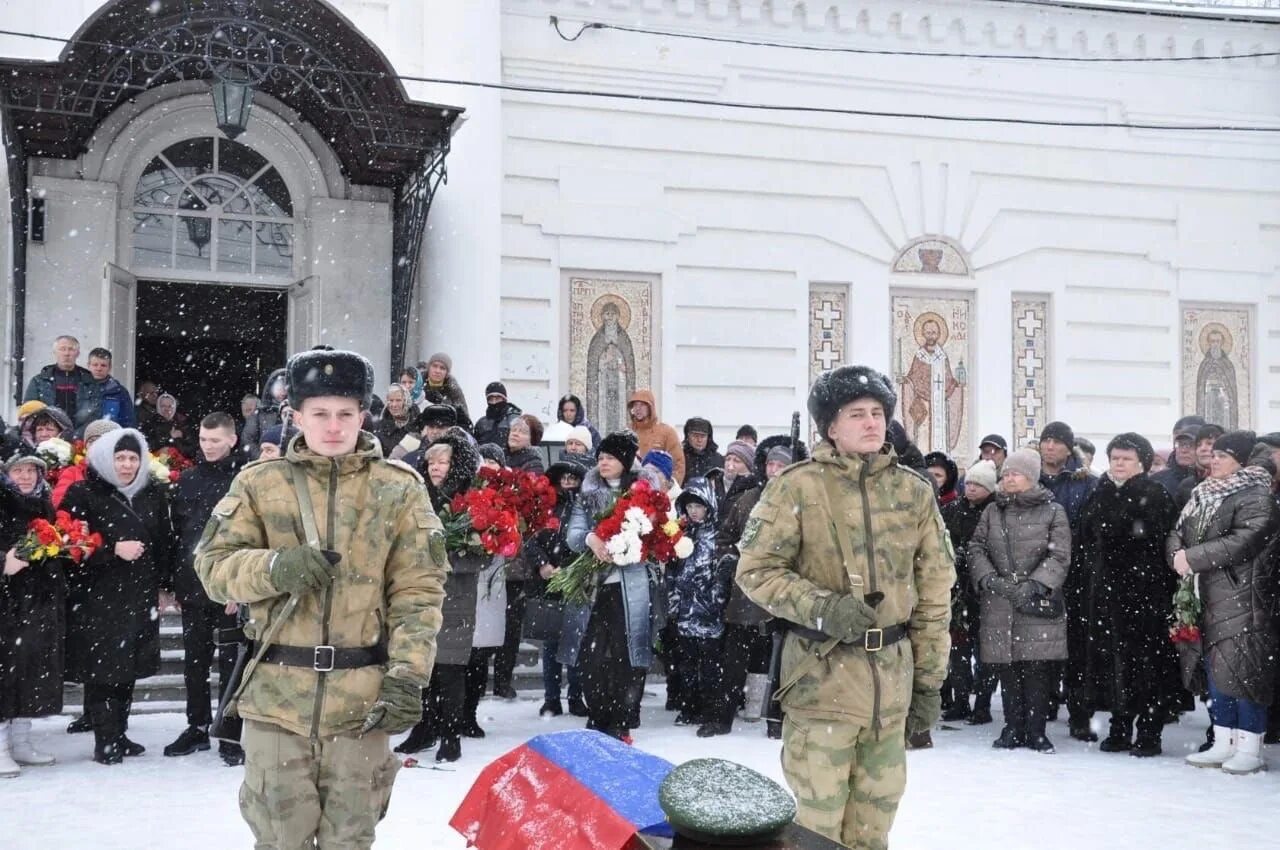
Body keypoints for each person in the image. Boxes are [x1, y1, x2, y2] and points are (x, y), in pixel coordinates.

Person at [195, 349, 449, 848]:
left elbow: (418, 593)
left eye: (345, 414)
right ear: (296, 416)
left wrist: (408, 676)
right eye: (320, 414)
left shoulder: (398, 490)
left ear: (363, 415)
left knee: (351, 839)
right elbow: (213, 568)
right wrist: (273, 567)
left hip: (362, 700)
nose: (333, 427)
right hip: (276, 701)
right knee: (280, 839)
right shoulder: (259, 484)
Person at [736, 365, 954, 850]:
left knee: (872, 831)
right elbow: (755, 571)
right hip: (821, 683)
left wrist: (928, 682)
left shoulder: (913, 492)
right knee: (816, 830)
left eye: (878, 413)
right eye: (858, 414)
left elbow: (935, 595)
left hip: (890, 687)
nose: (872, 423)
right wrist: (822, 607)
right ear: (831, 427)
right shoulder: (797, 487)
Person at [1170, 430, 1279, 775]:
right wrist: (1176, 553)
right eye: (1213, 454)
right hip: (1207, 594)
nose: (1213, 459)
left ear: (1243, 462)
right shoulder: (1202, 493)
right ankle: (1223, 740)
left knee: (1244, 671)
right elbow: (1178, 528)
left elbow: (1244, 540)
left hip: (1243, 597)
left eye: (1223, 455)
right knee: (1216, 672)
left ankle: (1249, 746)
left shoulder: (1256, 494)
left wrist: (1193, 557)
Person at [62, 428, 173, 765]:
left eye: (132, 458)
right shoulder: (83, 493)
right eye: (120, 458)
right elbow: (70, 547)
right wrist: (111, 551)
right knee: (103, 669)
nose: (126, 465)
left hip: (138, 592)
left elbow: (165, 541)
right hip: (98, 595)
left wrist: (164, 585)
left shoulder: (152, 493)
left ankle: (120, 733)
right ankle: (105, 738)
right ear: (105, 459)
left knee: (128, 667)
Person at [1075, 433, 1178, 758]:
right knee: (1111, 663)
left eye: (1126, 459)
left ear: (1142, 463)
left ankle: (1149, 731)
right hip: (1106, 593)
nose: (1118, 464)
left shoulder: (1154, 493)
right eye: (1115, 458)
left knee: (1146, 664)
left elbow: (1154, 538)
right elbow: (1087, 535)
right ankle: (1119, 726)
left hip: (1145, 593)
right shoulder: (1100, 492)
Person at [560, 431, 665, 741]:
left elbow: (658, 535)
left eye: (609, 457)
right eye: (600, 457)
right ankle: (598, 713)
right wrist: (591, 539)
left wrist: (634, 541)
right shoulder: (588, 492)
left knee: (628, 655)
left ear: (624, 460)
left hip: (631, 586)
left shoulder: (645, 493)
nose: (602, 462)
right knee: (591, 655)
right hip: (595, 586)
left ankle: (622, 718)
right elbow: (574, 532)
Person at [969, 447, 1071, 753]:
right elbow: (976, 547)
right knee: (1007, 668)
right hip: (999, 601)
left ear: (1031, 477)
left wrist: (1036, 584)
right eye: (1007, 473)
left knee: (1037, 669)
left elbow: (1060, 554)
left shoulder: (1054, 511)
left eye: (1016, 473)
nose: (1009, 478)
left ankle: (1036, 730)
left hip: (1036, 602)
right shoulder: (992, 511)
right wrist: (989, 579)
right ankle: (1012, 726)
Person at [396, 429, 483, 763]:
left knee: (449, 668)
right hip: (420, 595)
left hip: (456, 594)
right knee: (423, 667)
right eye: (431, 461)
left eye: (443, 461)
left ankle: (450, 734)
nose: (435, 467)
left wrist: (444, 558)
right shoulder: (417, 498)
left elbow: (480, 553)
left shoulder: (469, 500)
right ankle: (424, 729)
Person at [163, 413, 245, 766]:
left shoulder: (245, 481)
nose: (208, 446)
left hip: (229, 589)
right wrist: (171, 584)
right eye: (203, 439)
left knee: (231, 663)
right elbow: (177, 535)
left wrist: (239, 588)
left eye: (215, 440)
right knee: (194, 664)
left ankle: (229, 731)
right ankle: (196, 726)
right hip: (193, 586)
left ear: (232, 440)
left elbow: (251, 539)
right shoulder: (188, 480)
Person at [699, 440, 771, 738]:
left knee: (771, 656)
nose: (776, 471)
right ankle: (722, 715)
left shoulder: (799, 499)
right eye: (771, 465)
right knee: (734, 657)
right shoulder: (747, 500)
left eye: (783, 465)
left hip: (783, 594)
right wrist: (730, 559)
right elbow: (725, 537)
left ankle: (766, 712)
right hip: (744, 590)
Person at [0, 452, 62, 777]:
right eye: (18, 470)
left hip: (35, 602)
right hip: (6, 603)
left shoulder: (44, 505)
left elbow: (48, 546)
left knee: (28, 670)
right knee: (4, 674)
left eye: (31, 471)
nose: (25, 476)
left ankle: (21, 741)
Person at [1038, 420, 1098, 741]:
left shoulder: (1086, 482)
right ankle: (1042, 703)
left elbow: (1092, 528)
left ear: (1068, 447)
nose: (1050, 447)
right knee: (1040, 641)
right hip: (1038, 572)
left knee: (1077, 645)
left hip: (1076, 573)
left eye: (1057, 442)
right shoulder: (1029, 475)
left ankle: (1079, 713)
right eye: (1046, 440)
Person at [524, 457, 589, 717]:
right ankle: (551, 697)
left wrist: (576, 569)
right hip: (548, 582)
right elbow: (530, 539)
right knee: (551, 644)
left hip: (576, 580)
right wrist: (542, 564)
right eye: (564, 479)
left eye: (573, 479)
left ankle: (575, 696)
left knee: (576, 641)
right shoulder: (545, 506)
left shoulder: (584, 507)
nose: (568, 484)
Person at [940, 460, 999, 725]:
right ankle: (960, 700)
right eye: (969, 483)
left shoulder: (997, 512)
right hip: (956, 590)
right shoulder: (951, 510)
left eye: (978, 484)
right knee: (958, 648)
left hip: (986, 591)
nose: (972, 489)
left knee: (986, 651)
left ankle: (983, 703)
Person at [668, 478, 724, 727]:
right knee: (686, 664)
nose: (693, 510)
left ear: (709, 506)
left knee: (710, 667)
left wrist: (716, 601)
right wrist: (674, 602)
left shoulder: (717, 538)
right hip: (685, 614)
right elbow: (672, 571)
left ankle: (709, 711)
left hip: (709, 614)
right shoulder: (680, 535)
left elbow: (722, 576)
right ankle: (688, 707)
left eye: (698, 505)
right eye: (689, 505)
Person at [22, 335, 99, 433]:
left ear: (78, 353)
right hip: (47, 438)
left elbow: (95, 414)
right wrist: (48, 432)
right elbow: (29, 413)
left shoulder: (89, 382)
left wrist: (77, 435)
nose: (67, 353)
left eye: (71, 349)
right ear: (55, 352)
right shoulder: (39, 381)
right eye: (62, 349)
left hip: (80, 440)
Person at [628, 390, 686, 484]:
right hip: (632, 490)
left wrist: (670, 489)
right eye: (635, 405)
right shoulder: (627, 433)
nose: (638, 408)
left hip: (659, 490)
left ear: (650, 407)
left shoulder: (666, 432)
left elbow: (678, 464)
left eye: (642, 405)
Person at [1151, 415, 1205, 498]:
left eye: (1190, 445)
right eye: (1180, 444)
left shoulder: (1212, 482)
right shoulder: (1158, 480)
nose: (1183, 450)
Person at [240, 368, 289, 459]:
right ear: (271, 388)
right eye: (278, 388)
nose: (282, 392)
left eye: (286, 388)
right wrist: (262, 456)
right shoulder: (260, 414)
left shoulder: (298, 411)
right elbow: (247, 440)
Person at [85, 348, 136, 427]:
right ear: (88, 365)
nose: (99, 369)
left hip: (111, 437)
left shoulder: (120, 392)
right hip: (82, 438)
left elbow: (128, 422)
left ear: (109, 367)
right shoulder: (78, 388)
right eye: (95, 365)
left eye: (103, 365)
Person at [142, 392, 197, 459]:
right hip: (157, 463)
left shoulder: (182, 423)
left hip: (182, 463)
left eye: (169, 406)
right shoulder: (150, 423)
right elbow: (147, 446)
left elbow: (192, 449)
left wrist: (183, 436)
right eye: (163, 406)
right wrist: (169, 437)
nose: (166, 409)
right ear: (158, 407)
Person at [419, 353, 470, 422]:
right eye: (434, 366)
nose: (437, 371)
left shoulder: (454, 390)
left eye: (442, 368)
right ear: (429, 367)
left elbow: (465, 420)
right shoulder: (416, 384)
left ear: (447, 373)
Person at [473, 382, 523, 448]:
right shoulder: (481, 423)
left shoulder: (514, 420)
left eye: (497, 399)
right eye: (491, 399)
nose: (494, 402)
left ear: (504, 399)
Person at [375, 385, 417, 458]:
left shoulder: (418, 424)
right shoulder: (380, 427)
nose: (394, 405)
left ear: (406, 401)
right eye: (391, 400)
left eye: (398, 400)